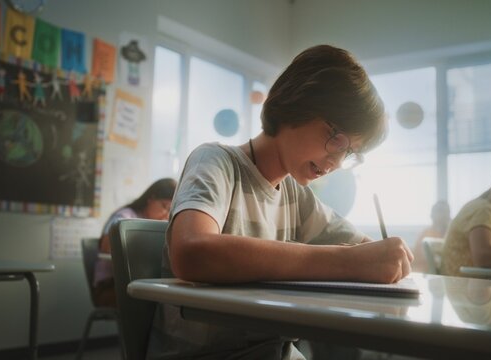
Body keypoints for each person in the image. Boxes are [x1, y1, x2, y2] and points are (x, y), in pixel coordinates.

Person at [148, 45, 414, 360]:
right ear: (297, 103)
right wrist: (346, 262)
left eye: (350, 152)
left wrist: (384, 258)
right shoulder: (216, 161)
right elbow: (192, 252)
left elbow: (364, 252)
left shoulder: (296, 195)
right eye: (336, 138)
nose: (338, 161)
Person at [93, 178, 177, 307]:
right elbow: (107, 247)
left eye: (170, 211)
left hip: (139, 284)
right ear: (151, 199)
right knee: (162, 304)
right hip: (110, 287)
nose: (166, 215)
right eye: (165, 207)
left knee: (169, 300)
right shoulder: (125, 216)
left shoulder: (158, 225)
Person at [411, 200, 451, 273]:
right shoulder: (426, 234)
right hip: (423, 273)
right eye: (440, 211)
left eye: (446, 212)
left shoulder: (451, 233)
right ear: (432, 215)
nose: (444, 215)